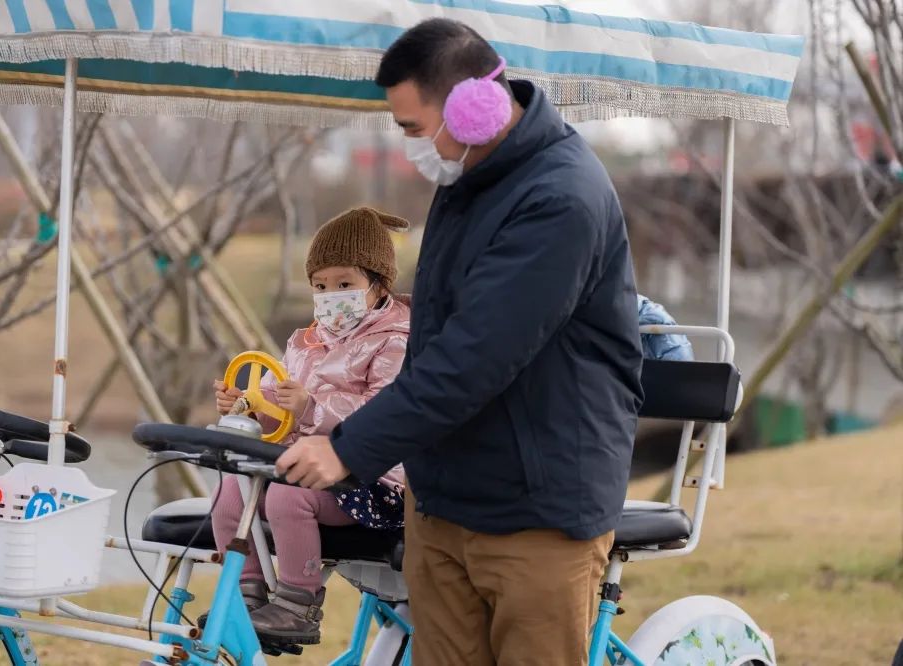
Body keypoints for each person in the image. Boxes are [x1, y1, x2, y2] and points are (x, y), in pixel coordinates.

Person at [276, 18, 645, 666]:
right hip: (444, 501)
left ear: (472, 109)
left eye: (413, 128)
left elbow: (472, 358)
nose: (410, 146)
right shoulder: (465, 179)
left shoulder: (562, 199)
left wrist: (348, 448)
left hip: (539, 512)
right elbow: (431, 335)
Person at [210, 207, 410, 646]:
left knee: (287, 494)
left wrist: (310, 408)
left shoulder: (397, 341)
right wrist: (244, 405)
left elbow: (385, 412)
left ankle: (298, 604)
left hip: (369, 479)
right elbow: (273, 402)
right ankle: (244, 593)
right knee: (230, 490)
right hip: (303, 466)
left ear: (379, 286)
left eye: (344, 285)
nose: (330, 296)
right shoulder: (303, 343)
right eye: (321, 286)